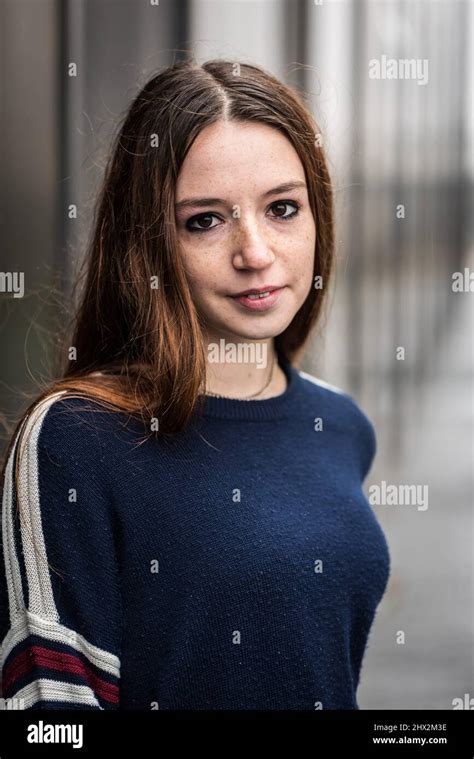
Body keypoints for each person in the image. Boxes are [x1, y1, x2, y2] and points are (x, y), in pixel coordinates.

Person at [0, 59, 390, 710]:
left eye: (283, 208)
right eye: (205, 220)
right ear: (147, 243)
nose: (256, 252)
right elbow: (50, 713)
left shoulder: (342, 425)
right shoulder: (77, 437)